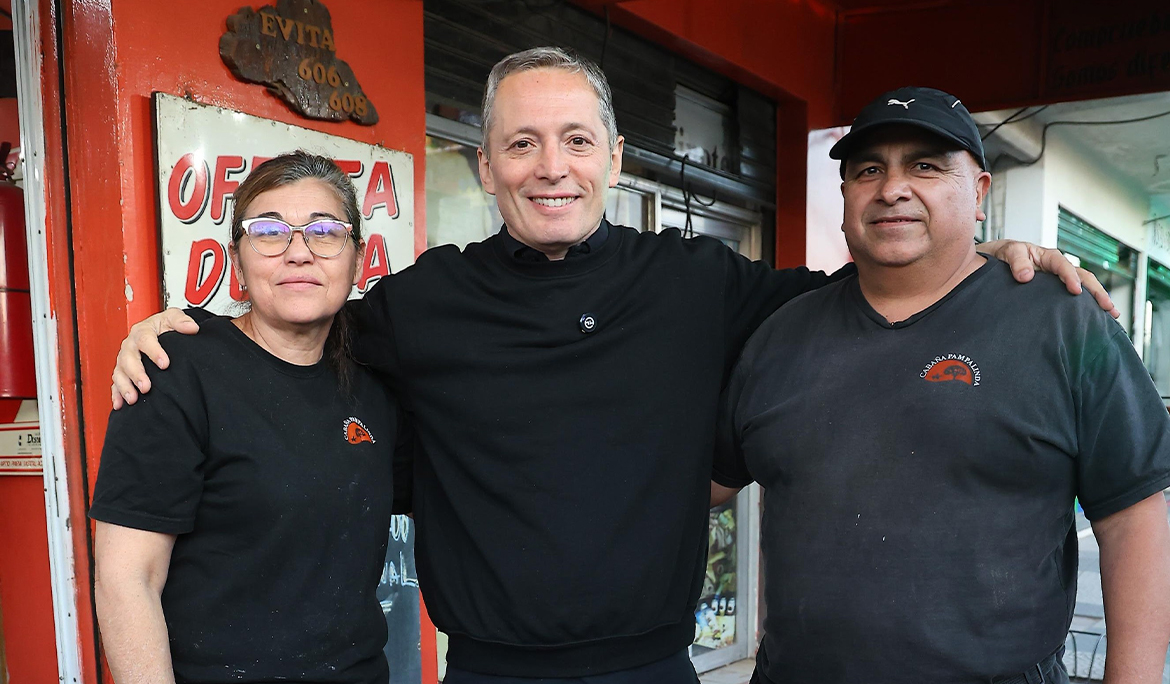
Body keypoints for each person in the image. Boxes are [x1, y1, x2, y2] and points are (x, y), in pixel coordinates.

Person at [108, 51, 1115, 683]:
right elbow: (294, 323)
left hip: (653, 667)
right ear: (485, 165)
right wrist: (172, 328)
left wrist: (995, 259)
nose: (553, 165)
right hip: (490, 671)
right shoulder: (422, 303)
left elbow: (876, 287)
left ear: (616, 156)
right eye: (523, 144)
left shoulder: (698, 283)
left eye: (577, 140)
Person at [713, 87, 1170, 684]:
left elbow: (1132, 517)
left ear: (979, 193)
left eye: (925, 166)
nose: (892, 188)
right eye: (869, 169)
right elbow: (707, 487)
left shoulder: (1061, 322)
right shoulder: (779, 336)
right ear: (846, 193)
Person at [90, 152, 410, 684]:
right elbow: (127, 579)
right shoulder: (176, 369)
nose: (298, 253)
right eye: (268, 232)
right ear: (237, 261)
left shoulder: (378, 381)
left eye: (325, 232)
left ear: (356, 258)